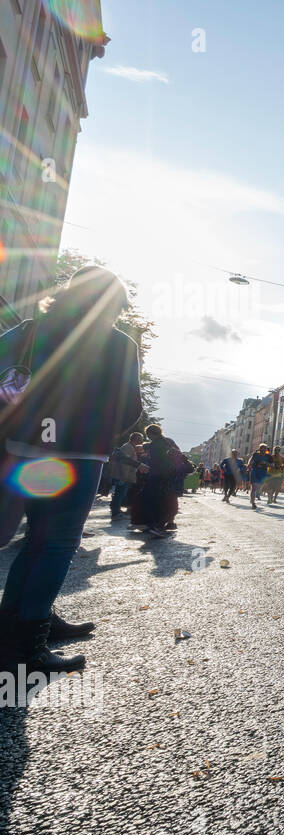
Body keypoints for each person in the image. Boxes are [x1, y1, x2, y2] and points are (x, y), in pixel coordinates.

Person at [0, 266, 143, 672]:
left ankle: (20, 626)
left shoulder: (30, 330)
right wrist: (102, 435)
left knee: (35, 539)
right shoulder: (118, 344)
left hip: (25, 451)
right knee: (57, 543)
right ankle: (26, 646)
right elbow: (129, 405)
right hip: (78, 456)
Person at [108, 432, 144, 519]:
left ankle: (116, 510)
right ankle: (115, 513)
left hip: (126, 476)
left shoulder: (130, 447)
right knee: (119, 494)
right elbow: (124, 463)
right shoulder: (128, 447)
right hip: (124, 476)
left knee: (121, 494)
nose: (142, 441)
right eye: (140, 439)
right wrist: (124, 476)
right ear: (136, 439)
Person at [248, 444, 271, 509]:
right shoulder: (255, 454)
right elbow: (250, 460)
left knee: (259, 487)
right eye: (261, 449)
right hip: (254, 472)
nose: (263, 450)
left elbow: (272, 465)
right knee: (254, 487)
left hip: (263, 473)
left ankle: (254, 498)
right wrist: (249, 464)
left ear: (266, 450)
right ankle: (253, 503)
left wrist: (265, 463)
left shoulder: (268, 457)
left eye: (264, 449)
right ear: (259, 449)